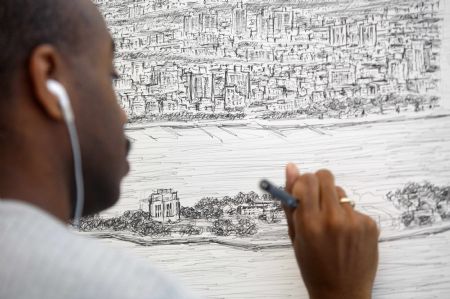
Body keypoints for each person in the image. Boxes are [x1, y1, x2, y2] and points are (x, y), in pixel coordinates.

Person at [0, 0, 379, 298]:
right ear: (49, 79)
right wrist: (340, 292)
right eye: (111, 76)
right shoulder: (125, 290)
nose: (123, 112)